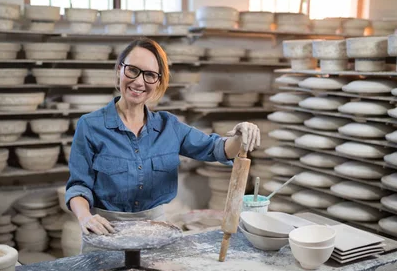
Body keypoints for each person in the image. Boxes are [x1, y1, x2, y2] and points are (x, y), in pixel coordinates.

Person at [65, 38, 260, 240]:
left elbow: (217, 149)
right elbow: (79, 186)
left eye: (150, 75)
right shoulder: (90, 125)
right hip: (105, 231)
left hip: (154, 232)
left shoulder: (170, 127)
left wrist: (240, 135)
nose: (139, 82)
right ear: (119, 70)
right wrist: (85, 216)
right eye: (132, 70)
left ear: (158, 82)